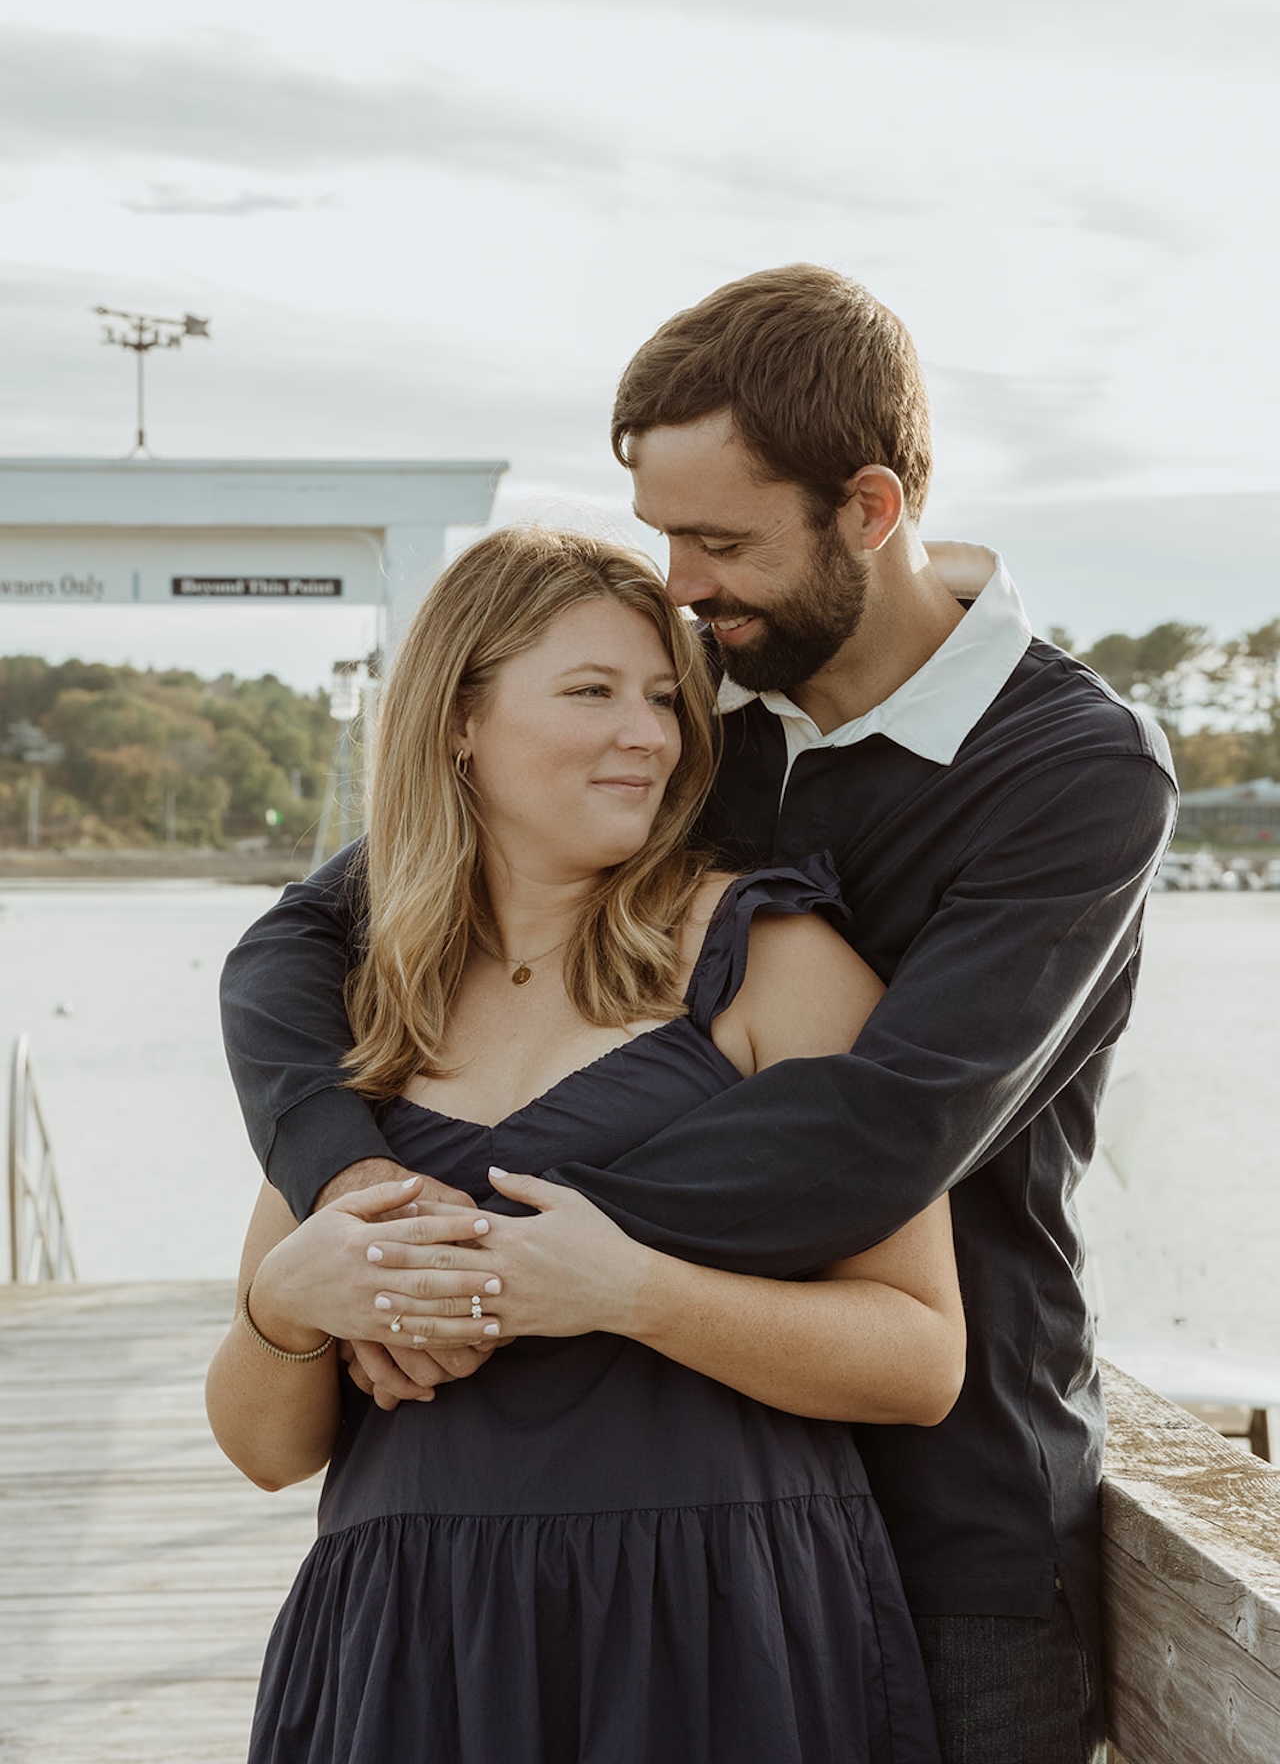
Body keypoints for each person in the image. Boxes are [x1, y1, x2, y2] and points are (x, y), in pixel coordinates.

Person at [221, 266, 1178, 1764]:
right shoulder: (702, 711)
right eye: (667, 535)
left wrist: (454, 1264)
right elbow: (300, 943)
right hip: (476, 1567)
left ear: (868, 509)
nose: (678, 585)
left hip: (950, 1516)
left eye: (718, 539)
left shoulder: (1072, 773)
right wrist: (344, 1196)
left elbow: (881, 1129)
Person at [208, 525, 961, 1764]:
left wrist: (631, 1294)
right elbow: (264, 1449)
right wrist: (288, 1308)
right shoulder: (364, 1005)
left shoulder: (773, 967)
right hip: (417, 1647)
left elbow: (919, 1356)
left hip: (721, 1632)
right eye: (592, 692)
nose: (650, 736)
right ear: (458, 719)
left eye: (665, 698)